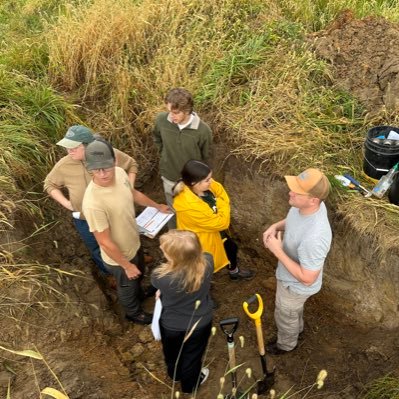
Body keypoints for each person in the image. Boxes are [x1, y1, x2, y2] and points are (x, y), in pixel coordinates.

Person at [82, 139, 169, 325]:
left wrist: (156, 206)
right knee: (127, 286)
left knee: (139, 273)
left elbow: (133, 194)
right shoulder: (93, 203)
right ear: (89, 169)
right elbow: (104, 242)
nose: (103, 174)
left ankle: (140, 292)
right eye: (97, 170)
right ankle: (133, 312)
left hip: (134, 243)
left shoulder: (121, 173)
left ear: (114, 161)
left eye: (106, 167)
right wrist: (126, 266)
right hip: (118, 258)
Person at [44, 125, 138, 277]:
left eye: (74, 147)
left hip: (115, 213)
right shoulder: (64, 164)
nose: (69, 151)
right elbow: (49, 184)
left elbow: (131, 164)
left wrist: (130, 189)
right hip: (85, 220)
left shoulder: (105, 153)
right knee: (97, 248)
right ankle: (111, 275)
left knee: (124, 238)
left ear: (87, 145)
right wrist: (67, 204)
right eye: (67, 147)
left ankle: (134, 259)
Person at [263, 168, 332, 355]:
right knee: (293, 312)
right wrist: (275, 226)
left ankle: (286, 345)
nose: (290, 192)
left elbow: (307, 278)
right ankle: (298, 329)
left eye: (297, 192)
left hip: (294, 286)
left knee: (286, 315)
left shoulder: (315, 237)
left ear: (313, 200)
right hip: (290, 278)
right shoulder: (303, 206)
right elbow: (292, 219)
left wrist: (277, 250)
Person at [151, 230, 212, 394]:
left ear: (173, 257)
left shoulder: (160, 276)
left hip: (171, 324)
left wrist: (162, 293)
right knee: (192, 355)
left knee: (171, 352)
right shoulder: (208, 262)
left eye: (164, 250)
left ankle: (175, 375)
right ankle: (189, 385)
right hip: (200, 322)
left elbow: (163, 288)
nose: (161, 250)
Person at [173, 160, 254, 280]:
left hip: (214, 231)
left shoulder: (202, 185)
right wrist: (221, 202)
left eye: (210, 177)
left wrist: (220, 202)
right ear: (194, 183)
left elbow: (219, 189)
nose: (211, 182)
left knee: (231, 248)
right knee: (203, 266)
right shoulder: (189, 206)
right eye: (207, 180)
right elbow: (222, 223)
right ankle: (201, 290)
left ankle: (234, 272)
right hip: (202, 240)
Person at [153, 88, 213, 227]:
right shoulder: (162, 120)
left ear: (187, 111)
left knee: (192, 213)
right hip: (169, 177)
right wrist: (164, 154)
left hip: (192, 183)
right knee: (173, 211)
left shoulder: (203, 131)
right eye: (169, 111)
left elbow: (206, 157)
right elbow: (157, 137)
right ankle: (175, 242)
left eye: (176, 113)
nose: (171, 116)